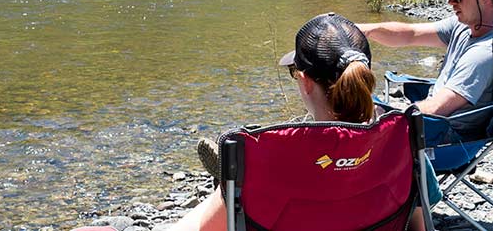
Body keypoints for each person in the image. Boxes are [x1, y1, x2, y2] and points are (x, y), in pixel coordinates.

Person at [172, 13, 440, 231]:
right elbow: (418, 223)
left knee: (214, 207)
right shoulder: (400, 138)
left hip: (265, 181)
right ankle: (226, 186)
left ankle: (226, 184)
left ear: (304, 81)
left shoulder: (271, 153)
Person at [357, 0, 493, 139]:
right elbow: (410, 33)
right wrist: (364, 30)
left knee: (363, 119)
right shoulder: (465, 26)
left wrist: (387, 115)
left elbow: (437, 109)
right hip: (435, 123)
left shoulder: (483, 54)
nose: (451, 2)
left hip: (445, 137)